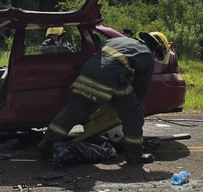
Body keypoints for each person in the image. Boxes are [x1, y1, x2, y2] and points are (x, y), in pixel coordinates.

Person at [36, 32, 169, 165]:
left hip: (88, 72)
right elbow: (140, 88)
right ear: (156, 49)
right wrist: (130, 105)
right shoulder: (146, 54)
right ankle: (134, 155)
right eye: (158, 56)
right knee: (133, 114)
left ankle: (46, 144)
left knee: (73, 112)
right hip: (112, 77)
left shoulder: (120, 41)